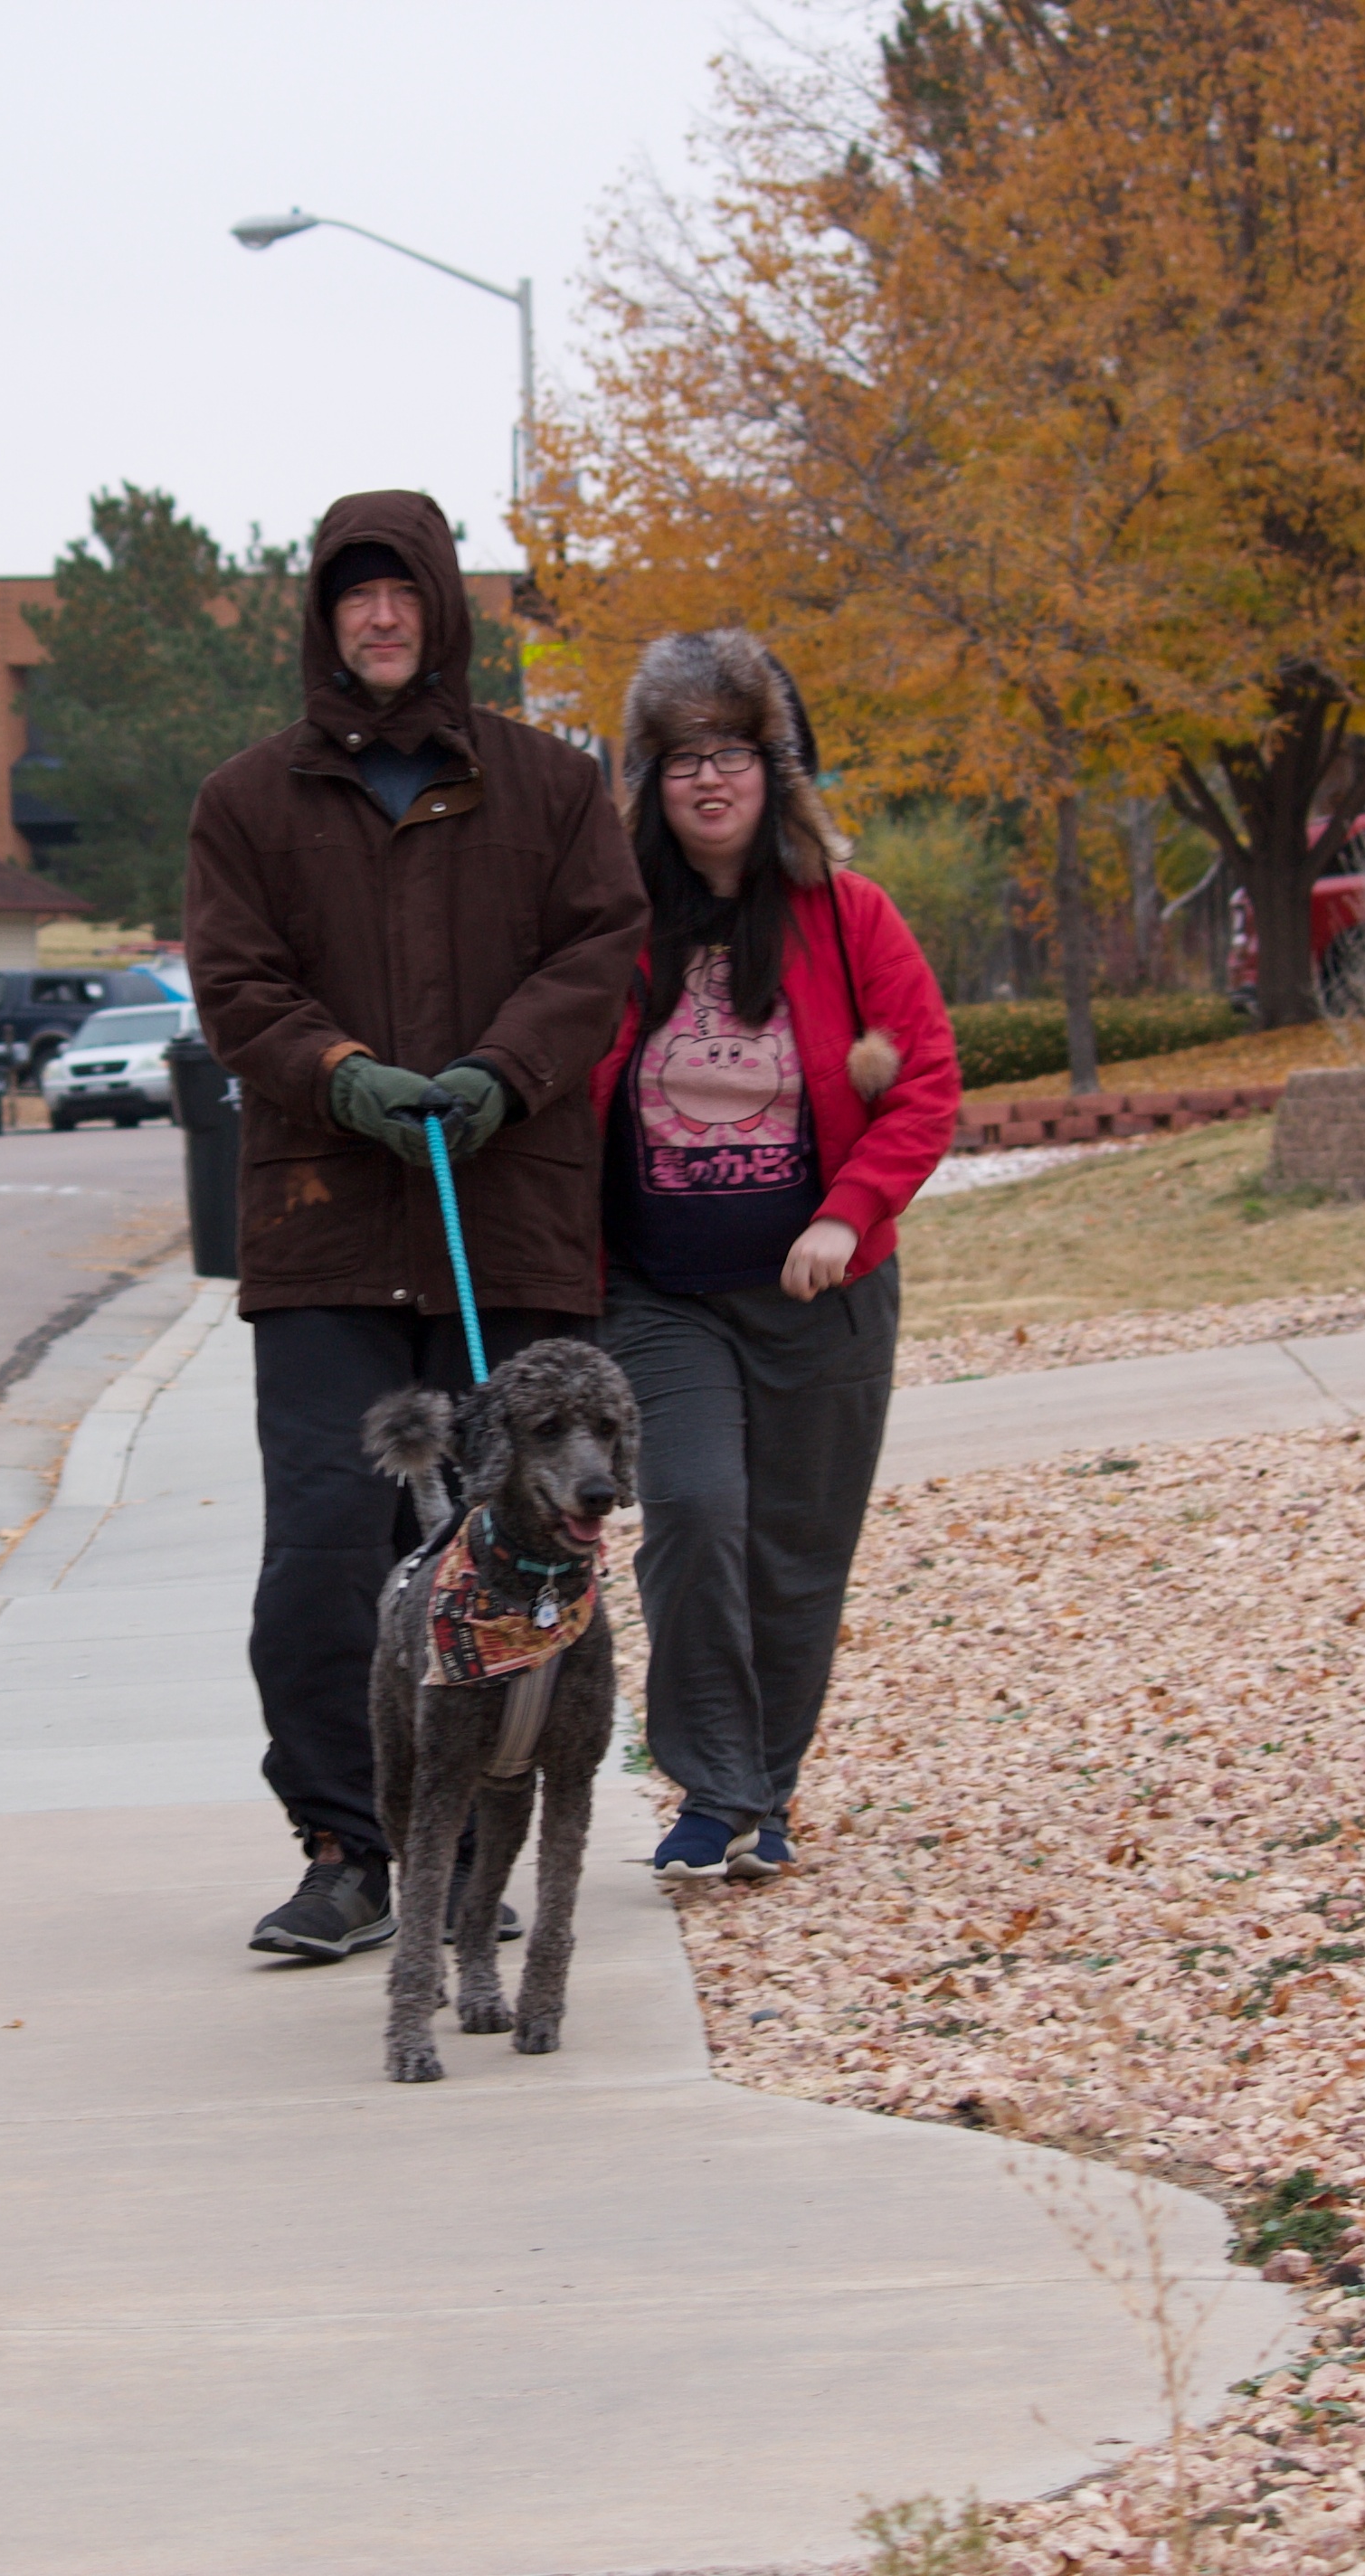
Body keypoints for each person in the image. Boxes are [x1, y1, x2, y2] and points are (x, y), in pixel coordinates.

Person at [185, 491, 649, 1961]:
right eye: (354, 594)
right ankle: (347, 1847)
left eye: (404, 593)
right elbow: (236, 985)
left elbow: (601, 951)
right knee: (324, 1559)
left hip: (501, 1232)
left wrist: (501, 1073)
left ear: (443, 611)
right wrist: (341, 1076)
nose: (380, 617)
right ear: (325, 619)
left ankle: (469, 1848)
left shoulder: (553, 788)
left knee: (505, 1559)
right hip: (325, 1240)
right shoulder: (247, 802)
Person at [588, 630, 959, 1883]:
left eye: (733, 751)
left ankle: (768, 1789)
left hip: (824, 1295)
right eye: (682, 755)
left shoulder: (850, 918)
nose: (709, 777)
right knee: (694, 1513)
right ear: (650, 778)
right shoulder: (615, 927)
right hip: (659, 1293)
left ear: (774, 770)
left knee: (796, 1552)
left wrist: (848, 1212)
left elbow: (925, 1081)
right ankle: (712, 1790)